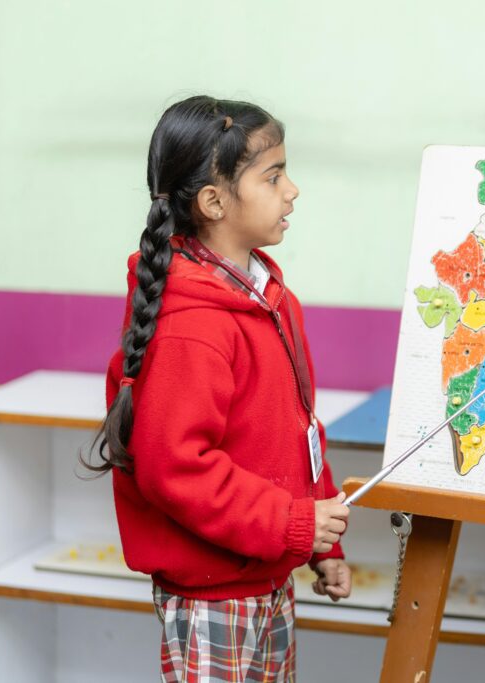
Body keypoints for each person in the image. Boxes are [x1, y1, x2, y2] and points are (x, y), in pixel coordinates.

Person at [87, 95, 351, 682]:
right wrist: (292, 524)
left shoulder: (271, 299)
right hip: (212, 597)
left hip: (267, 574)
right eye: (273, 176)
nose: (293, 191)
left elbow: (298, 432)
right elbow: (178, 469)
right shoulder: (193, 327)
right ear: (212, 201)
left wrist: (318, 543)